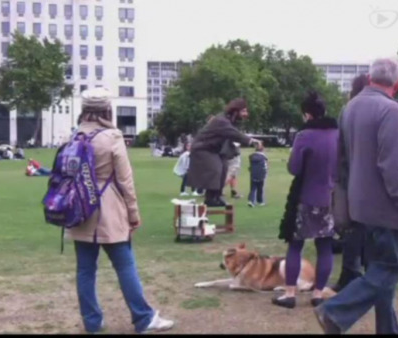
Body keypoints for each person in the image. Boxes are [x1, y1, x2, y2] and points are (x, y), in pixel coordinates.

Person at [313, 58, 398, 334]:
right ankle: (334, 310)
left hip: (359, 202)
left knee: (380, 268)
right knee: (391, 268)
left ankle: (389, 330)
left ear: (370, 76)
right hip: (386, 205)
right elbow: (391, 166)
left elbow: (343, 160)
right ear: (397, 83)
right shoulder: (391, 110)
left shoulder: (349, 107)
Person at [64, 88, 174, 333]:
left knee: (85, 270)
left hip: (79, 209)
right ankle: (143, 318)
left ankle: (92, 323)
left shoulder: (73, 136)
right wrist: (133, 213)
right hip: (108, 209)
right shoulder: (112, 137)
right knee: (125, 265)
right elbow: (125, 180)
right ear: (107, 109)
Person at [273, 91, 338, 309]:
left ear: (307, 115)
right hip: (330, 198)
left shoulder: (305, 136)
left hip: (306, 198)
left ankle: (290, 293)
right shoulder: (339, 134)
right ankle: (318, 293)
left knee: (295, 245)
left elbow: (294, 168)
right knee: (325, 246)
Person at [326, 73, 370, 295]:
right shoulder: (382, 109)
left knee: (352, 230)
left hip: (350, 180)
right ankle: (364, 273)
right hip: (367, 182)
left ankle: (351, 274)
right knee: (364, 230)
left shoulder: (348, 111)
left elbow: (341, 149)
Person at [187, 98, 262, 207]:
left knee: (224, 168)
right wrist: (251, 141)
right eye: (244, 111)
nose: (246, 114)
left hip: (213, 150)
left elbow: (231, 137)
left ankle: (216, 197)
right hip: (202, 149)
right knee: (215, 168)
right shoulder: (221, 121)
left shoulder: (229, 121)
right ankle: (210, 198)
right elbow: (233, 133)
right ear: (236, 111)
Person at [247, 143, 269, 207]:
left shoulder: (251, 156)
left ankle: (251, 201)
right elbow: (266, 166)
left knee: (252, 188)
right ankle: (260, 201)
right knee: (260, 188)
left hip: (253, 174)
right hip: (261, 174)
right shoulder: (264, 157)